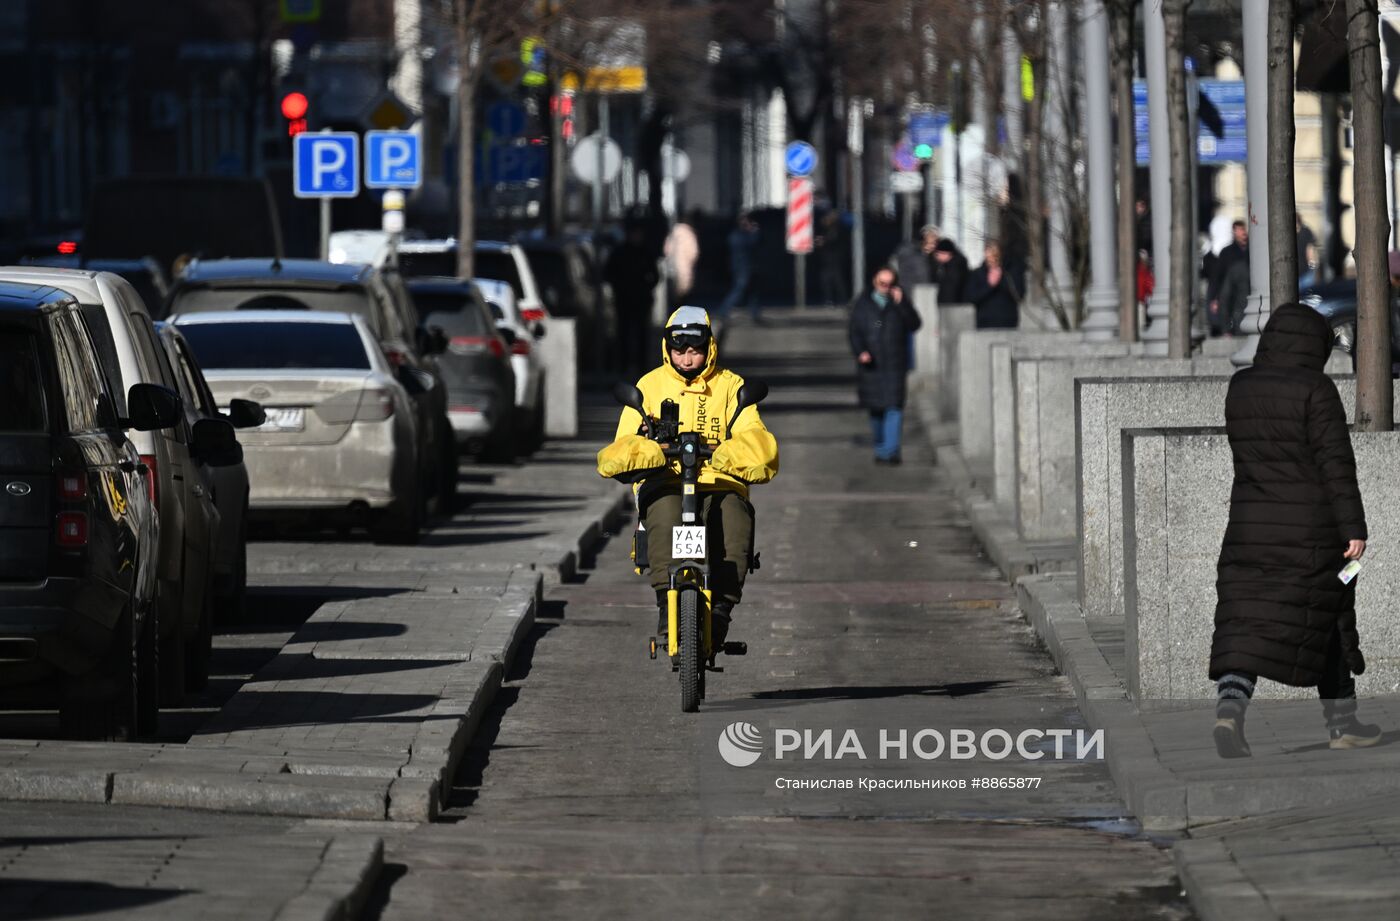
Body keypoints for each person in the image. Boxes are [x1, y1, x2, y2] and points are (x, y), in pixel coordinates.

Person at [1210, 303, 1380, 758]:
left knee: (1243, 623)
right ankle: (1342, 724)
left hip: (1248, 530)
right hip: (1313, 532)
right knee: (1329, 615)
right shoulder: (1316, 390)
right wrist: (1354, 527)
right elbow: (1335, 465)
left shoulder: (1241, 387)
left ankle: (1230, 709)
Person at [595, 307, 779, 646]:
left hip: (719, 482)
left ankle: (721, 610)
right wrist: (648, 445)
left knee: (734, 518)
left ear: (710, 347)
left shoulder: (731, 386)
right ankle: (666, 604)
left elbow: (755, 439)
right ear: (667, 349)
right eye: (679, 351)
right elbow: (622, 445)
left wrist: (726, 453)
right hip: (665, 480)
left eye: (695, 350)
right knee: (664, 515)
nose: (688, 358)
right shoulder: (649, 386)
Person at [848, 267, 922, 465]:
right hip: (871, 365)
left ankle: (891, 451)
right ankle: (881, 448)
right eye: (883, 284)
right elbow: (854, 332)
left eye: (890, 284)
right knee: (876, 411)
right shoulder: (863, 304)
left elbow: (915, 324)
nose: (886, 288)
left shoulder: (900, 302)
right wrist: (860, 351)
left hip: (895, 363)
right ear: (875, 282)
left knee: (894, 407)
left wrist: (902, 304)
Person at [604, 222, 661, 376]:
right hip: (624, 300)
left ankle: (641, 366)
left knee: (641, 333)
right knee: (624, 333)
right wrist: (620, 287)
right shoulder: (620, 253)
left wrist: (646, 287)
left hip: (641, 300)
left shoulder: (645, 252)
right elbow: (608, 273)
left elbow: (655, 275)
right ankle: (624, 365)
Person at [964, 241, 1021, 329]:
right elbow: (971, 297)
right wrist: (989, 286)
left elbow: (1019, 294)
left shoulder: (1011, 272)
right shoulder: (977, 274)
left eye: (995, 255)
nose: (992, 259)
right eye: (989, 255)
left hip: (1008, 321)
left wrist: (1001, 280)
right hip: (985, 322)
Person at [718, 212, 761, 323]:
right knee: (739, 290)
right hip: (743, 268)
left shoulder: (737, 235)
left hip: (745, 267)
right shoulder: (739, 236)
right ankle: (723, 310)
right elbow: (751, 243)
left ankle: (755, 313)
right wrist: (754, 232)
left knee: (752, 291)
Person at [1208, 220, 1248, 336]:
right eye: (1240, 230)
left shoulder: (1250, 250)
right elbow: (1218, 277)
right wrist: (1215, 298)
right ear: (1234, 232)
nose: (1243, 233)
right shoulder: (1227, 252)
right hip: (1231, 293)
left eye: (1243, 229)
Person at [663, 210, 701, 307]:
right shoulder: (689, 234)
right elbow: (694, 252)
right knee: (684, 293)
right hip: (686, 266)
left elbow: (666, 249)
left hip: (672, 266)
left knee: (674, 293)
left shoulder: (672, 232)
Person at [815, 209, 848, 306]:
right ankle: (829, 299)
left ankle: (841, 299)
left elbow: (832, 240)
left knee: (837, 280)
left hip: (834, 259)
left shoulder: (836, 229)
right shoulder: (825, 229)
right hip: (827, 259)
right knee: (827, 280)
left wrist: (823, 241)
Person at [891, 225, 938, 290]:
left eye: (934, 243)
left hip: (924, 292)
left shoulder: (933, 258)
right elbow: (893, 266)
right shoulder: (908, 251)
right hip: (906, 291)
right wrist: (895, 286)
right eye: (929, 242)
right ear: (922, 239)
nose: (932, 246)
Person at [932, 239, 969, 304]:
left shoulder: (955, 267)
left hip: (951, 305)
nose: (937, 257)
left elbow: (950, 289)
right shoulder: (949, 265)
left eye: (938, 254)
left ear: (947, 254)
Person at [1296, 214, 1318, 290]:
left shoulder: (1306, 232)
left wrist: (1312, 266)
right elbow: (1310, 250)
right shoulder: (1307, 231)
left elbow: (1310, 250)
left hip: (1305, 271)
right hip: (1305, 271)